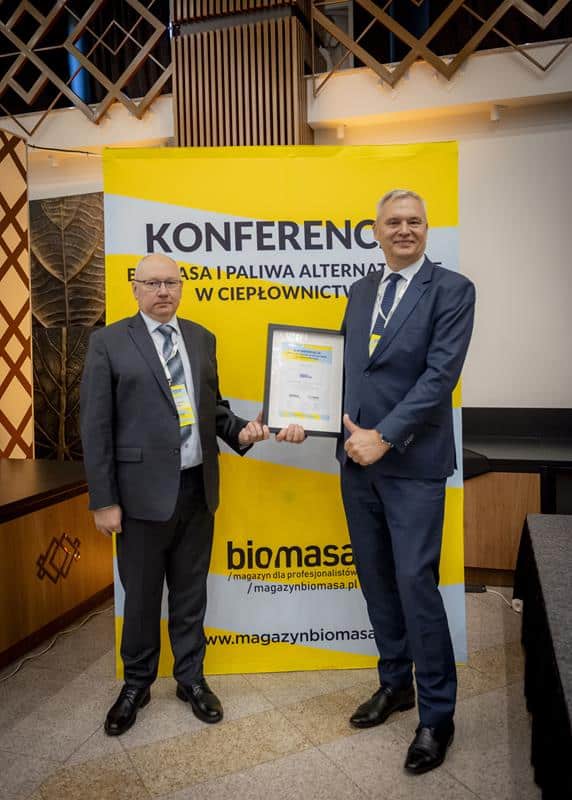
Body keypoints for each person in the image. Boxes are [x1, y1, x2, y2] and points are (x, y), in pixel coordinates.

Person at [80, 253, 304, 736]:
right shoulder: (108, 342)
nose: (163, 291)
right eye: (152, 283)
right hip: (138, 498)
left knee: (190, 593)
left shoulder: (201, 339)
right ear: (135, 289)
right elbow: (95, 428)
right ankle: (136, 683)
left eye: (171, 282)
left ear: (182, 287)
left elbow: (213, 410)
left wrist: (244, 431)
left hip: (197, 488)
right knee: (142, 597)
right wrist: (104, 499)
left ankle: (191, 679)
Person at [339, 189, 475, 774]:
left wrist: (385, 437)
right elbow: (350, 370)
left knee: (416, 585)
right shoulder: (360, 290)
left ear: (426, 229)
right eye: (393, 221)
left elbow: (439, 376)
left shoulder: (452, 290)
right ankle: (396, 684)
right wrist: (305, 415)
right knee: (376, 582)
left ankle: (437, 716)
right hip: (356, 464)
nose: (403, 229)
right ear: (375, 230)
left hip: (412, 464)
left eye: (413, 221)